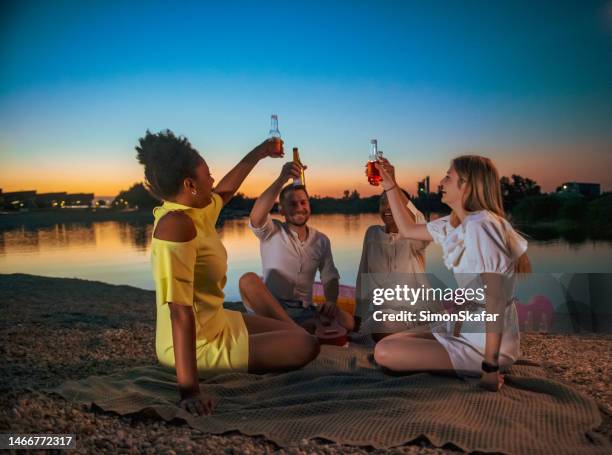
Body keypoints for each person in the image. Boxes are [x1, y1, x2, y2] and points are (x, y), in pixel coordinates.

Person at [138, 130, 319, 416]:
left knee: (294, 333)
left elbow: (225, 190)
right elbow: (179, 311)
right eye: (207, 174)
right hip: (198, 346)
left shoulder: (195, 210)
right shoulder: (176, 226)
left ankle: (283, 338)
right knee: (306, 345)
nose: (212, 179)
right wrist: (190, 391)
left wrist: (261, 151)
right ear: (189, 184)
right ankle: (218, 366)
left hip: (218, 322)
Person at [372, 155, 530, 392]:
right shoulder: (457, 223)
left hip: (481, 344)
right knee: (388, 339)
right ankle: (450, 353)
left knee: (384, 352)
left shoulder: (482, 227)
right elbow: (406, 229)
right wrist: (390, 185)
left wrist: (490, 367)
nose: (442, 182)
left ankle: (477, 363)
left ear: (465, 184)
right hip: (464, 325)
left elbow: (495, 301)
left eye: (448, 176)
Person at [238, 161, 355, 332]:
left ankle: (291, 328)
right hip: (270, 308)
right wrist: (282, 178)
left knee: (348, 321)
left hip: (303, 311)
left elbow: (329, 277)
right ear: (282, 210)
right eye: (292, 204)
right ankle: (295, 331)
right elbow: (256, 217)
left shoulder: (321, 240)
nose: (299, 208)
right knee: (247, 280)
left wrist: (330, 301)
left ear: (309, 206)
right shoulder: (271, 231)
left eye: (303, 202)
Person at [355, 188, 430, 341]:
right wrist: (357, 318)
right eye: (383, 203)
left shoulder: (415, 236)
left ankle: (416, 335)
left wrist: (392, 184)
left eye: (394, 203)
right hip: (382, 317)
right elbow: (363, 277)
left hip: (414, 315)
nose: (387, 208)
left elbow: (419, 220)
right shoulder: (372, 234)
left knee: (383, 325)